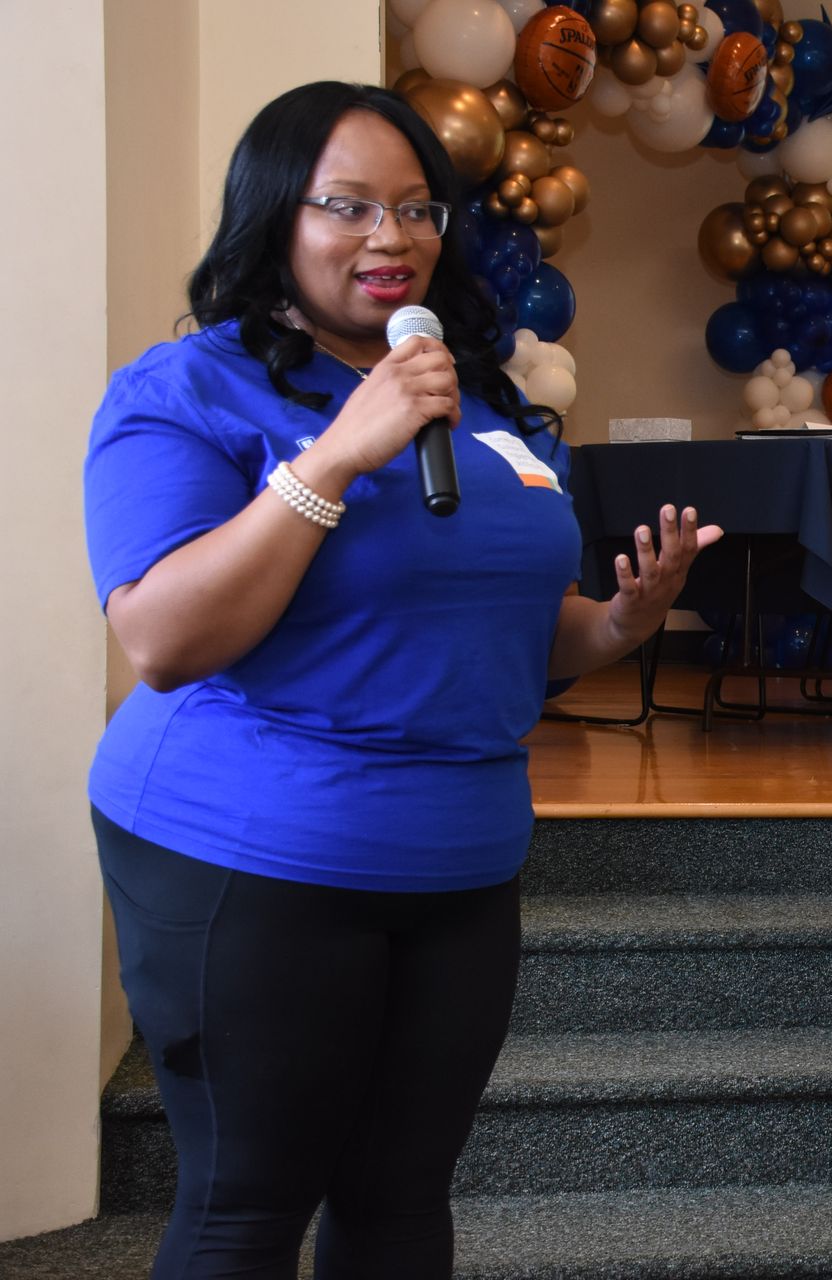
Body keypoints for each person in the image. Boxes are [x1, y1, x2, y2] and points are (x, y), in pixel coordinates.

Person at [82, 81, 717, 1278]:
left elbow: (529, 640)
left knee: (399, 1196)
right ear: (275, 217)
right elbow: (163, 639)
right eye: (351, 207)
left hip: (463, 861)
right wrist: (334, 454)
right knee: (246, 1204)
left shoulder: (478, 402)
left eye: (418, 207)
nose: (392, 237)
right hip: (251, 851)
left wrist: (626, 617)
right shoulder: (190, 391)